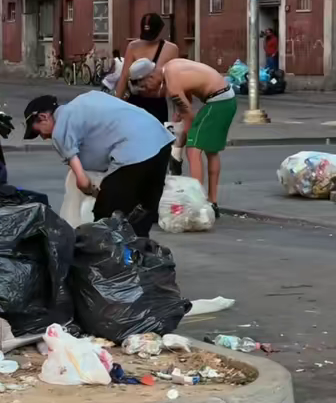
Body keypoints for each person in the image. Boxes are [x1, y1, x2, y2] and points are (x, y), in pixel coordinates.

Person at [23, 90, 173, 237]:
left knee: (105, 214)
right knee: (142, 211)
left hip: (133, 152)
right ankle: (139, 254)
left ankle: (105, 257)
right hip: (161, 141)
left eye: (38, 132)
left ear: (43, 117)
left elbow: (82, 181)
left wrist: (94, 191)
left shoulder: (60, 128)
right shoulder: (88, 99)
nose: (43, 137)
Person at [159, 58, 237, 216]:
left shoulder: (172, 85)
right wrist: (180, 115)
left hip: (217, 101)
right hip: (226, 98)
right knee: (211, 151)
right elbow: (186, 106)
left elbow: (190, 118)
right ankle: (212, 202)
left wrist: (177, 149)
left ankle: (197, 202)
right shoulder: (172, 70)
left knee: (193, 149)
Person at [115, 12, 178, 122]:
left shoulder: (171, 49)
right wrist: (114, 105)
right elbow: (124, 77)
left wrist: (179, 110)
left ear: (160, 30)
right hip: (135, 102)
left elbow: (175, 81)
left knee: (156, 137)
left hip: (157, 104)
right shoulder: (133, 46)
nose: (148, 41)